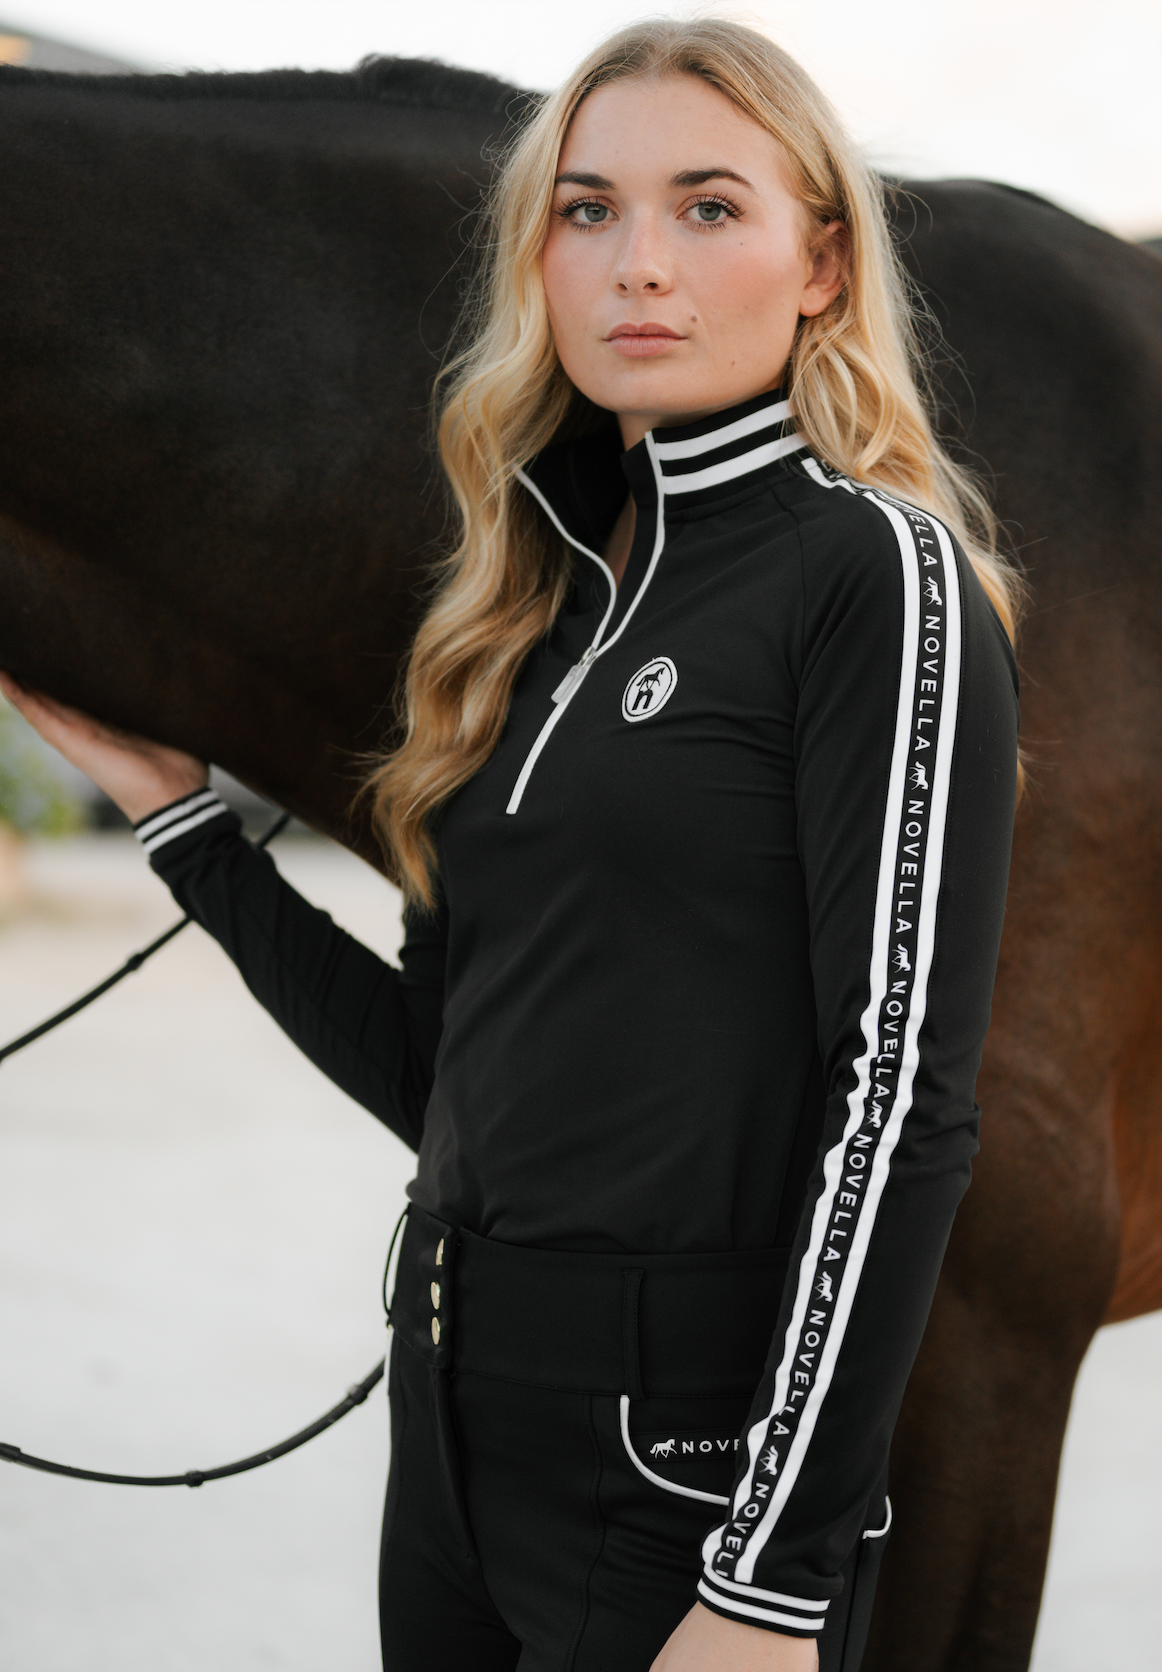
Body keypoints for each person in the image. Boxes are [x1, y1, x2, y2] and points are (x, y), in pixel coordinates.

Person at [1, 19, 1020, 1672]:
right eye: (586, 209)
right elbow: (445, 1079)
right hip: (456, 1426)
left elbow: (900, 1097)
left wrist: (774, 1573)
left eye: (708, 208)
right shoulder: (529, 622)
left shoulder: (872, 576)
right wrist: (181, 823)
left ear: (824, 265)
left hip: (677, 1469)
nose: (639, 264)